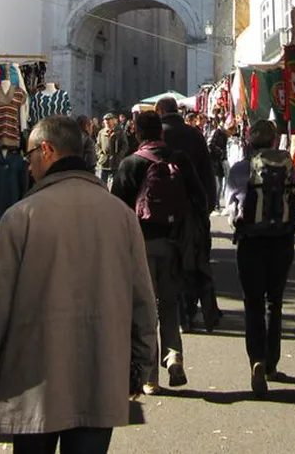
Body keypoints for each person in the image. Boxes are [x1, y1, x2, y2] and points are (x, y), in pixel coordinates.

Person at [0, 115, 157, 454]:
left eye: (29, 156)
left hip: (32, 382)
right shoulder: (121, 216)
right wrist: (140, 367)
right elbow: (143, 301)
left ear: (46, 151)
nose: (28, 167)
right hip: (101, 376)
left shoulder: (20, 216)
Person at [112, 111, 205, 392]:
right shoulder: (180, 160)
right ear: (161, 133)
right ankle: (174, 354)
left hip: (140, 244)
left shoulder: (130, 164)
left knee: (145, 307)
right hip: (174, 242)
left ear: (137, 134)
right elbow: (200, 199)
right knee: (169, 302)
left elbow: (116, 209)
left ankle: (150, 375)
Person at [227, 120, 295, 396]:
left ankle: (256, 358)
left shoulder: (239, 170)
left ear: (248, 139)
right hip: (281, 240)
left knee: (253, 304)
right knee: (275, 302)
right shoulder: (286, 165)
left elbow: (231, 207)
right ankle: (271, 363)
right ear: (273, 141)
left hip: (250, 242)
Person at [155, 96, 220, 332]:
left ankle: (175, 312)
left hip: (160, 210)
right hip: (193, 207)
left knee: (168, 261)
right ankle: (190, 311)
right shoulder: (194, 134)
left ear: (159, 110)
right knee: (192, 260)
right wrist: (208, 204)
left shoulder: (156, 136)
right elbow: (207, 171)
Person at [96, 113, 128, 187]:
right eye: (105, 120)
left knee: (115, 184)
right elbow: (97, 145)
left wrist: (120, 155)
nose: (107, 122)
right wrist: (100, 155)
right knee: (102, 184)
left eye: (109, 120)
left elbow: (125, 145)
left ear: (114, 121)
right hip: (104, 162)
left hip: (115, 162)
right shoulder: (101, 132)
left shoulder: (119, 132)